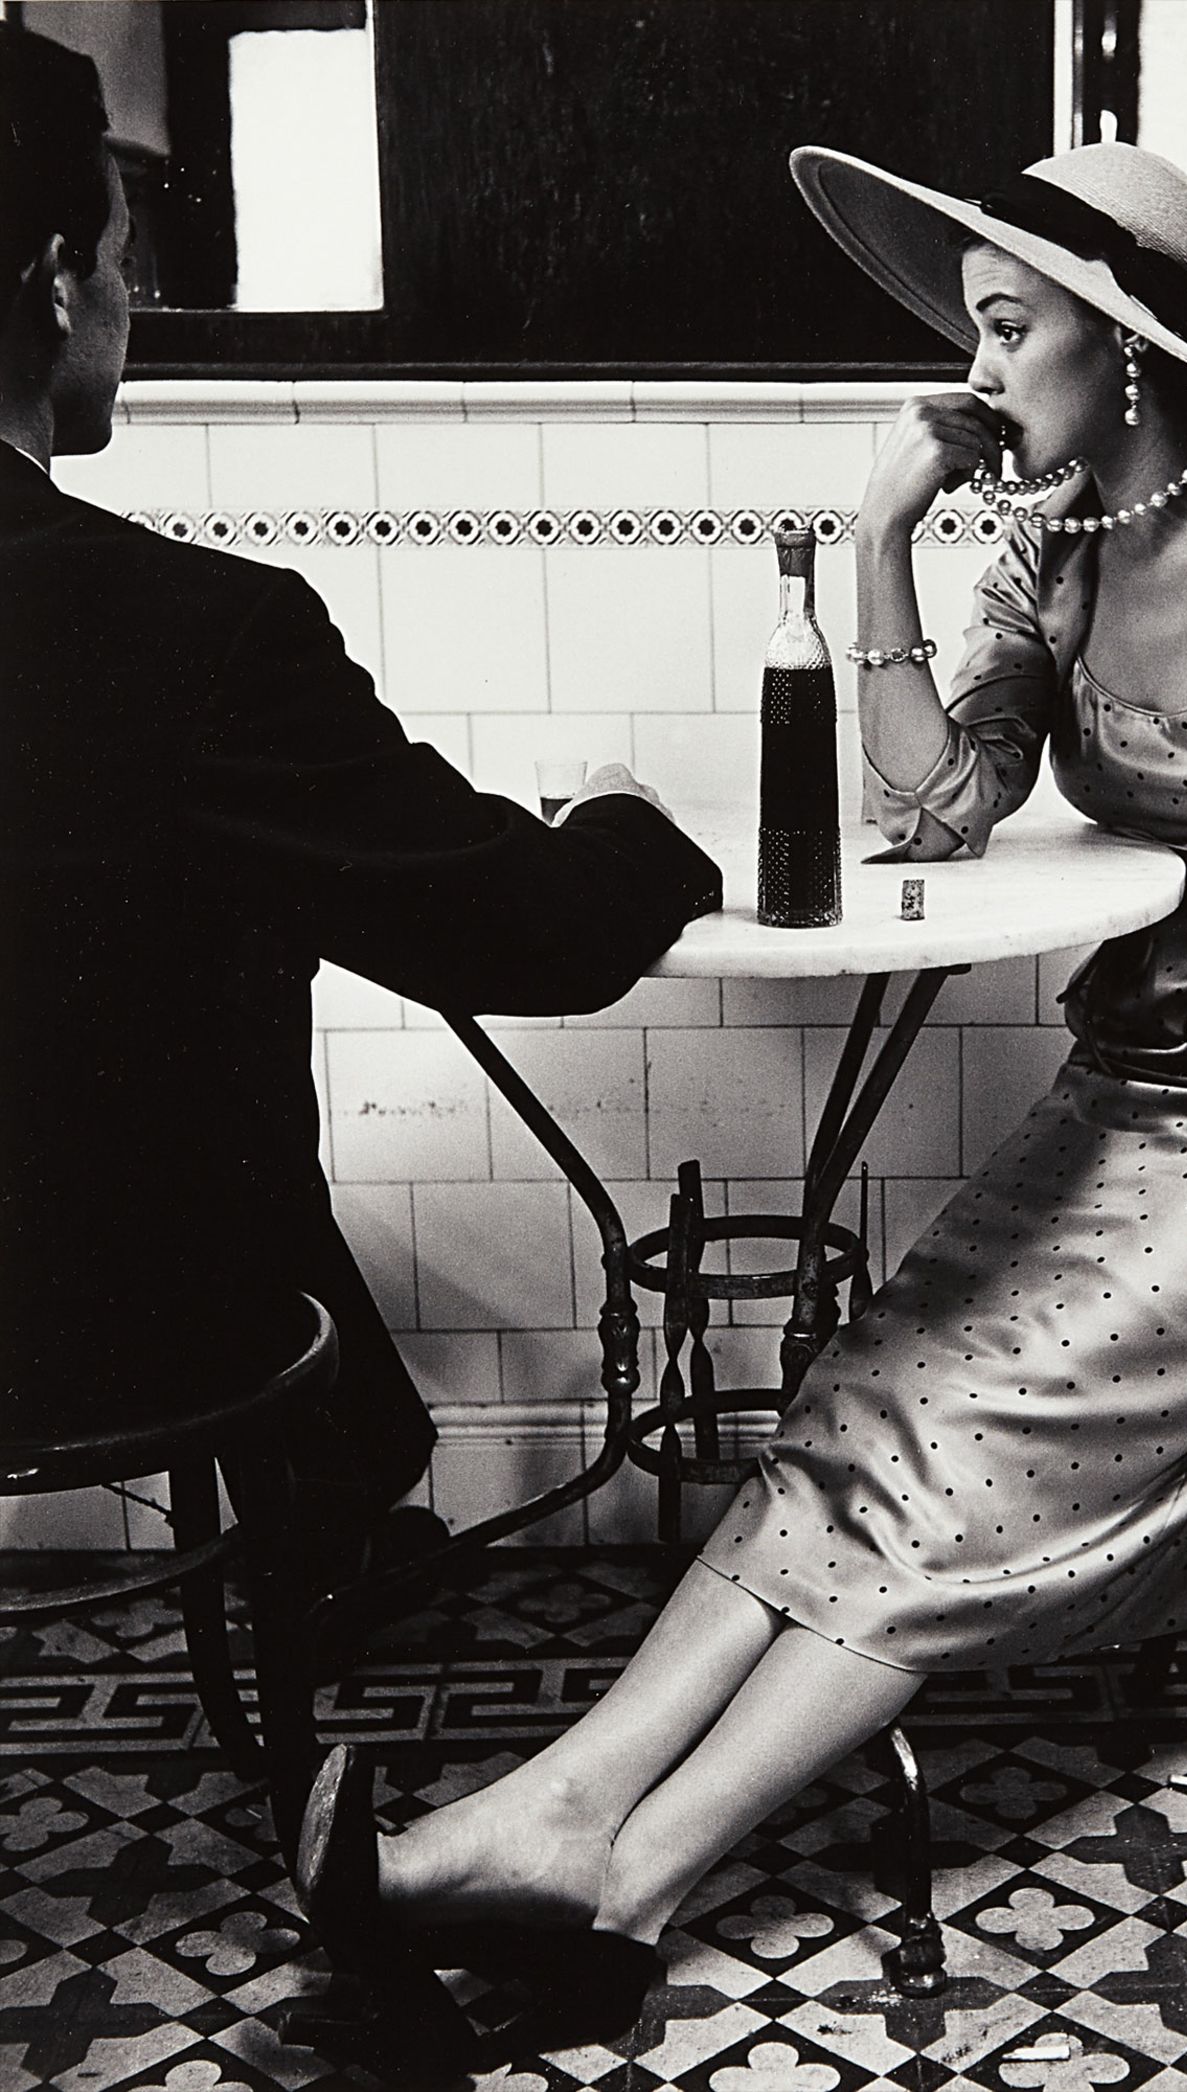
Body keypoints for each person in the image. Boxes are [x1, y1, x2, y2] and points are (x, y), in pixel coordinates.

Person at [294, 142, 1187, 2002]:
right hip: (1160, 1063)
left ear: (1129, 354)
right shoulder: (1046, 553)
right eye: (973, 328)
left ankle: (625, 1873)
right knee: (876, 1381)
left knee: (963, 1436)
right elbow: (934, 808)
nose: (973, 374)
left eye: (1009, 329)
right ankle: (558, 1823)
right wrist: (885, 533)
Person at [0, 26, 722, 1586]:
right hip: (99, 1337)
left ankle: (343, 1490)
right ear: (59, 276)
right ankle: (332, 1506)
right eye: (123, 259)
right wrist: (624, 817)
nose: (126, 303)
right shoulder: (186, 632)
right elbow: (532, 937)